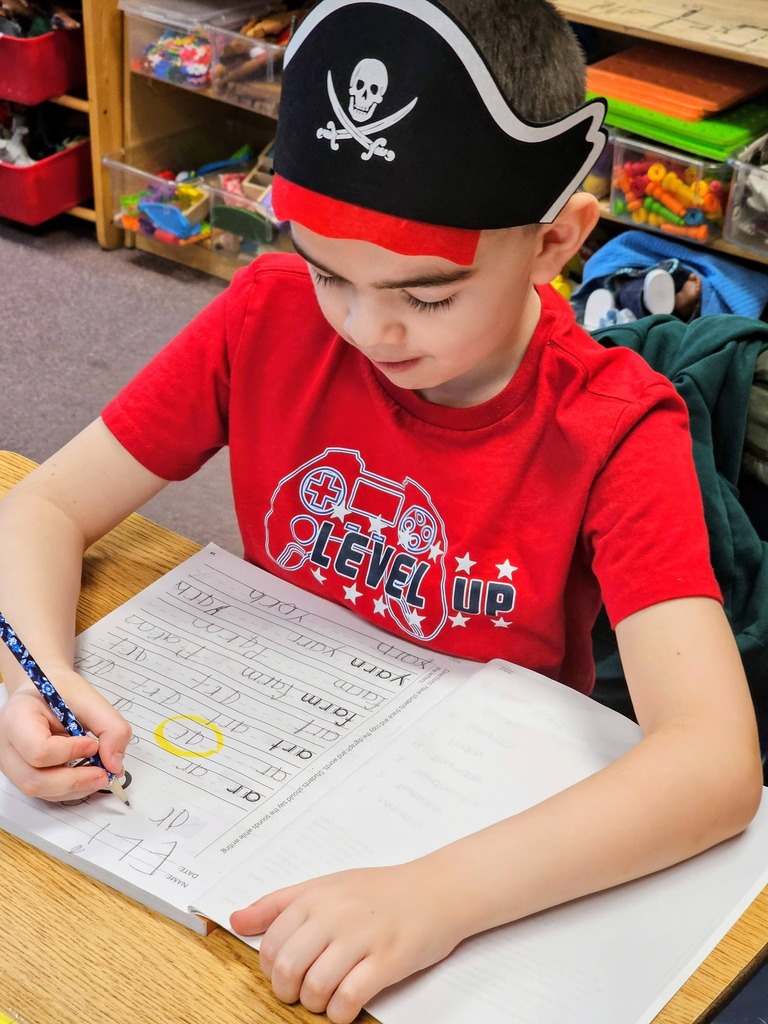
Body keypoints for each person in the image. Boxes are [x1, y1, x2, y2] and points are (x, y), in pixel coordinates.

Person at [0, 1, 762, 1021]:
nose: (368, 327)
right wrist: (37, 681)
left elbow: (715, 763)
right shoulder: (267, 315)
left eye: (430, 294)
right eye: (330, 272)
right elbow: (44, 504)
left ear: (555, 242)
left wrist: (438, 895)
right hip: (261, 777)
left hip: (474, 836)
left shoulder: (617, 427)